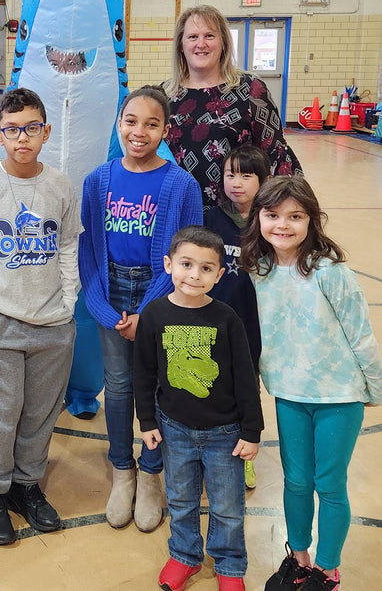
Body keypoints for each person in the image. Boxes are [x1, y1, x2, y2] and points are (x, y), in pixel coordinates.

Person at [0, 87, 82, 546]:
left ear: (45, 132)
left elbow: (67, 247)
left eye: (31, 128)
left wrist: (67, 305)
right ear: (0, 135)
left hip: (52, 324)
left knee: (39, 414)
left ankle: (26, 485)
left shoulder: (60, 185)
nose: (22, 137)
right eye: (11, 130)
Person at [241, 176, 382, 591]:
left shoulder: (329, 271)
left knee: (329, 484)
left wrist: (374, 388)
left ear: (311, 221)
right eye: (272, 215)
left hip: (338, 395)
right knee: (296, 481)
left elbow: (361, 335)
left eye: (295, 216)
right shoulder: (256, 270)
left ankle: (327, 569)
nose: (282, 225)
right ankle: (299, 559)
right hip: (289, 395)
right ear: (258, 218)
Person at [79, 85, 203, 533]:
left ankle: (152, 473)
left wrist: (148, 311)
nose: (140, 131)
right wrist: (108, 311)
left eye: (152, 123)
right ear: (119, 124)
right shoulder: (98, 181)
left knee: (155, 387)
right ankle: (122, 470)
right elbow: (88, 252)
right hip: (112, 294)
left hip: (160, 296)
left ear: (165, 130)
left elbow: (188, 256)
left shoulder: (181, 184)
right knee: (117, 386)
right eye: (131, 121)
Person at [134, 226, 263, 591]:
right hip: (174, 429)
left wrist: (251, 431)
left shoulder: (227, 319)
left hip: (225, 433)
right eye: (187, 264)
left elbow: (244, 378)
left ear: (220, 274)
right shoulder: (155, 315)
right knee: (181, 499)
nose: (195, 274)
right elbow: (143, 374)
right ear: (168, 264)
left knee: (227, 507)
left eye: (206, 268)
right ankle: (184, 556)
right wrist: (147, 421)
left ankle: (230, 566)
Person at [163, 5, 301, 209]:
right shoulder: (165, 95)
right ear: (181, 46)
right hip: (179, 211)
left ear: (223, 43)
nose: (201, 44)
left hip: (236, 216)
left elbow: (276, 154)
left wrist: (283, 209)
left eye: (209, 35)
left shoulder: (249, 89)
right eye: (192, 37)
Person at [204, 144, 271, 490]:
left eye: (247, 175)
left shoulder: (270, 223)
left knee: (245, 389)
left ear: (264, 180)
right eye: (231, 174)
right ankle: (205, 450)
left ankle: (243, 455)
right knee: (207, 383)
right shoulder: (210, 219)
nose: (237, 183)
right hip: (212, 323)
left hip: (252, 326)